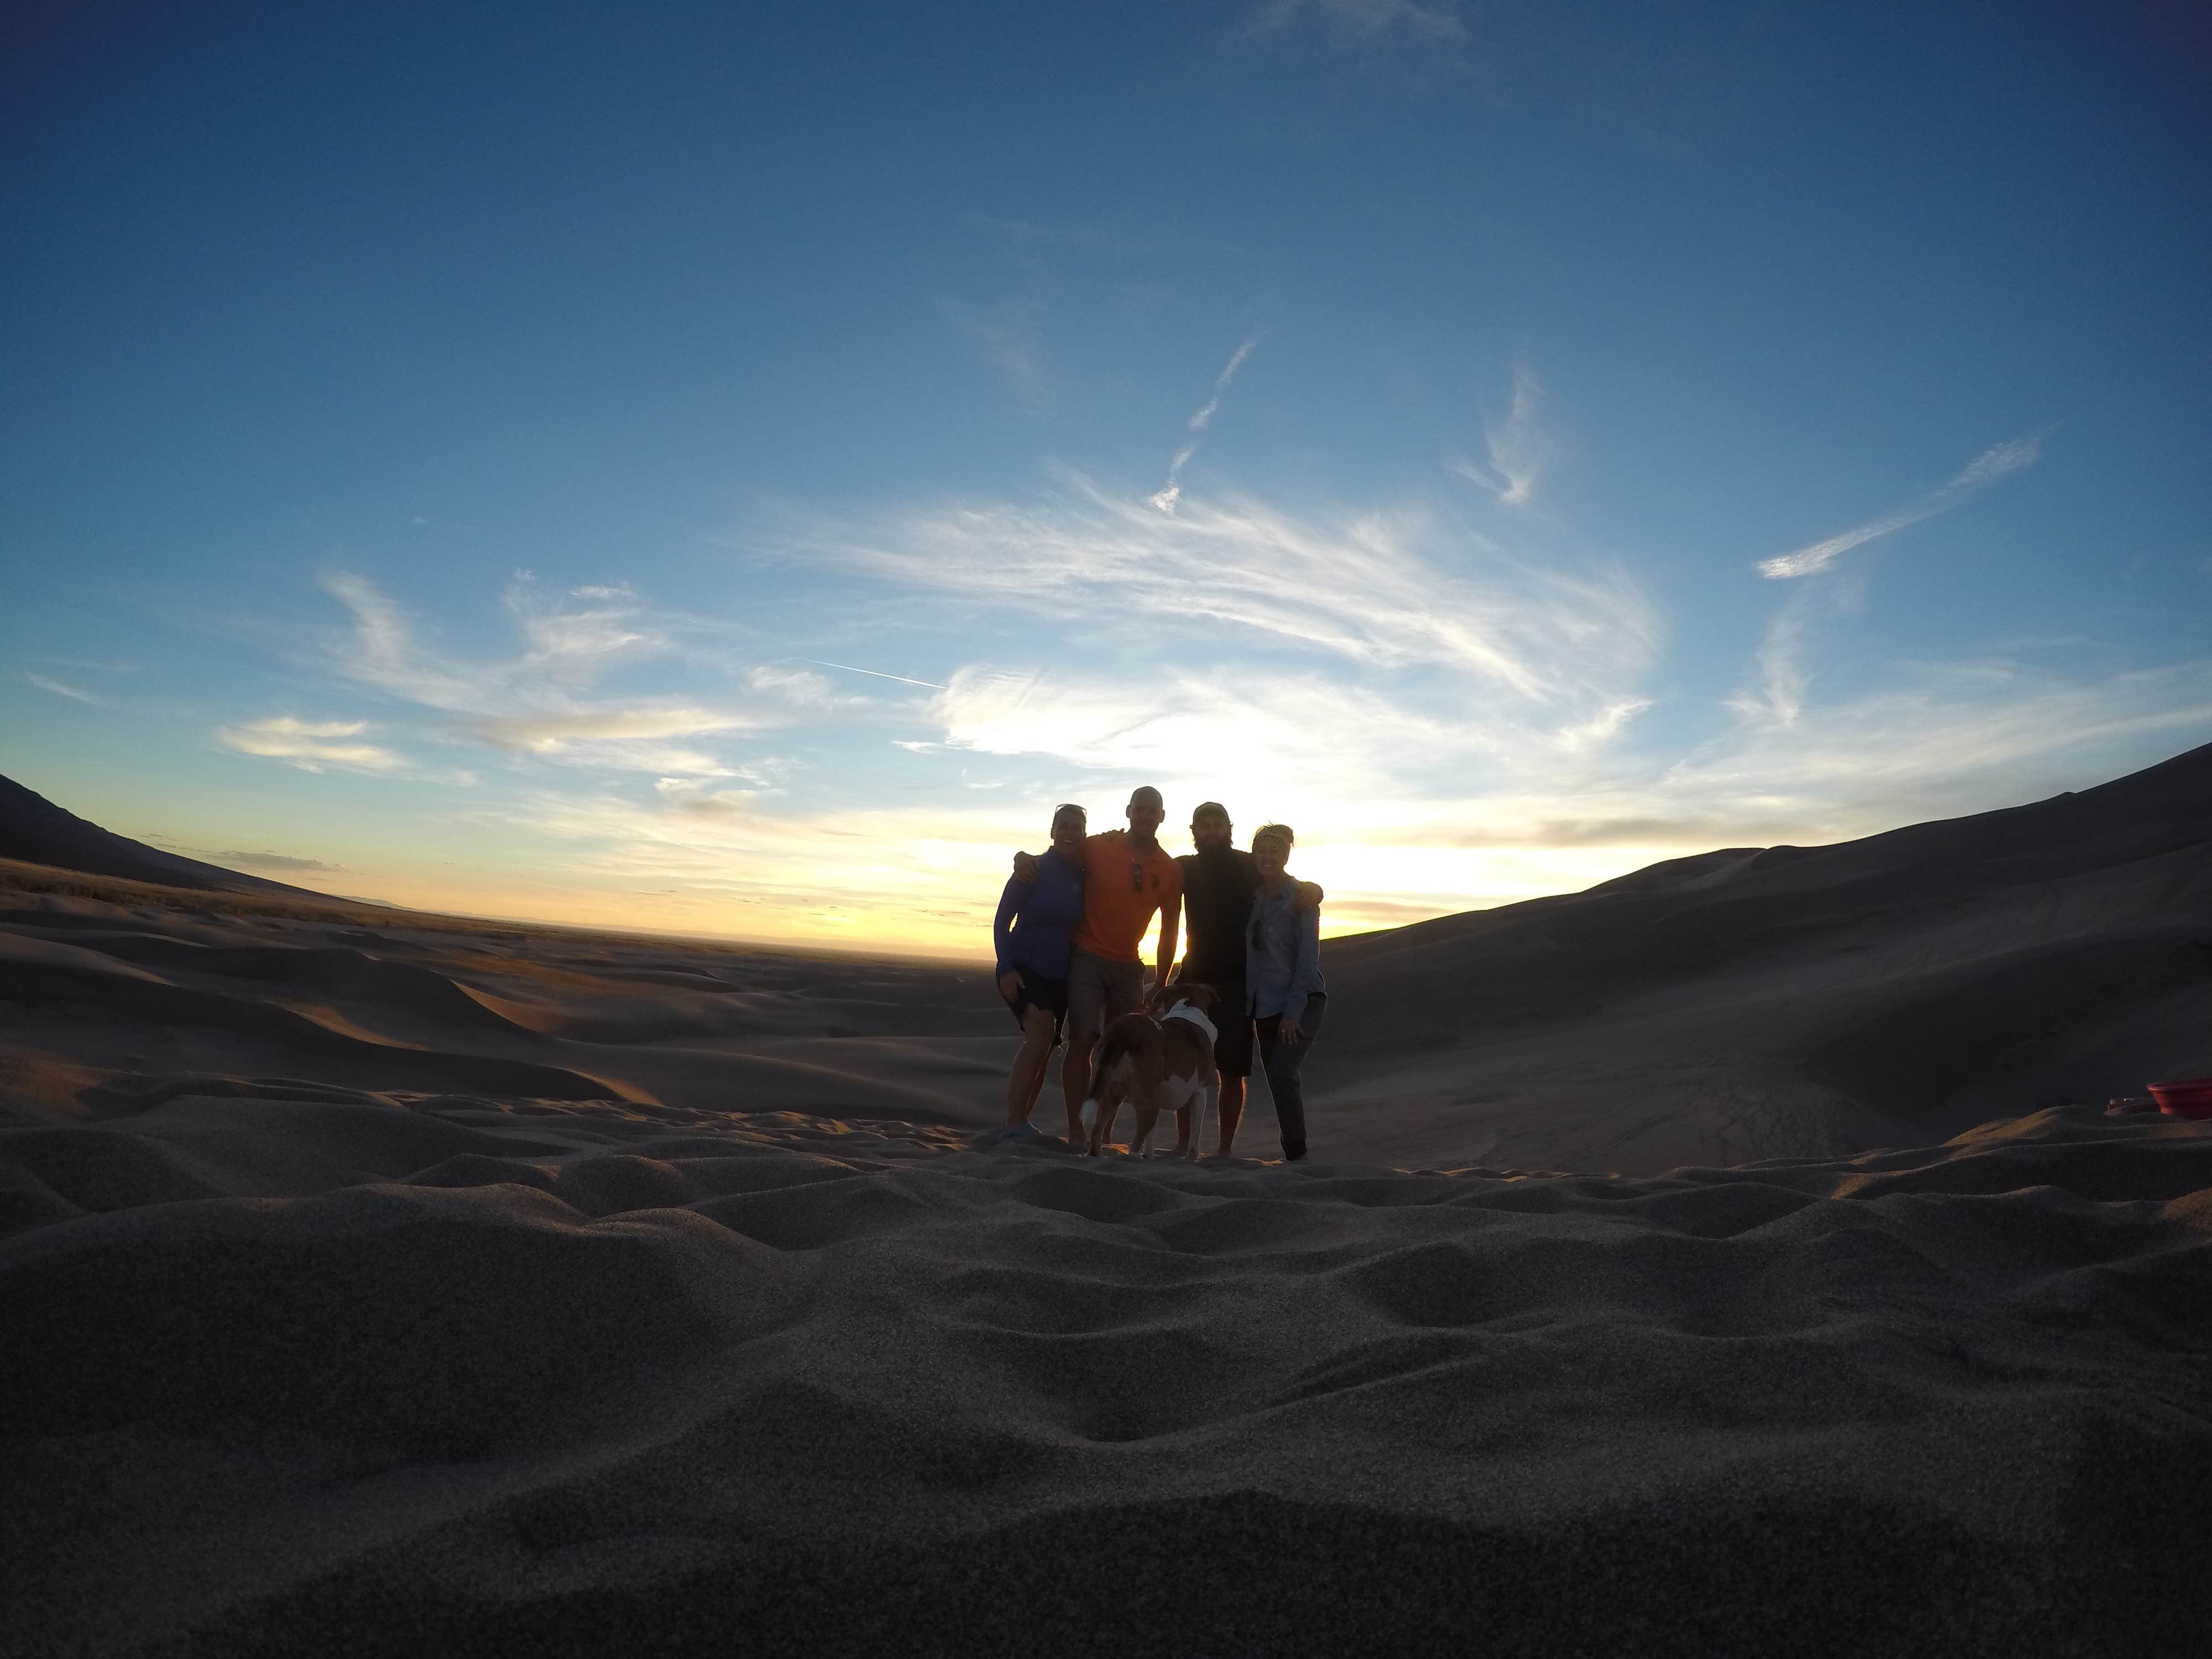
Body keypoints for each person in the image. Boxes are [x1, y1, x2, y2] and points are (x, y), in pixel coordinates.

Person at [1172, 802, 1322, 1158]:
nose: (1211, 832)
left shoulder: (1249, 864)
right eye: (1203, 826)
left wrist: (1314, 889)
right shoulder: (1183, 867)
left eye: (1217, 825)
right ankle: (1182, 1145)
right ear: (1193, 831)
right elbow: (1141, 865)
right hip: (1193, 977)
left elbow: (1287, 881)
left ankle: (1224, 1150)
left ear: (1229, 828)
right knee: (1182, 1060)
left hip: (1240, 984)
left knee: (1232, 1069)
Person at [1058, 786, 1183, 1148]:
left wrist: (1161, 981)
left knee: (1122, 1050)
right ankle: (1076, 1130)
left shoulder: (1170, 870)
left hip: (1129, 966)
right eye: (1139, 809)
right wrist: (1025, 860)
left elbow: (1170, 930)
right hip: (1086, 957)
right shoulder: (1099, 846)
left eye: (1152, 810)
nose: (1145, 816)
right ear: (1128, 812)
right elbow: (1060, 855)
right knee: (1082, 1039)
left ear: (1162, 817)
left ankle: (1104, 1131)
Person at [990, 803, 1087, 1140]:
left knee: (1045, 1045)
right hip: (1023, 965)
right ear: (1052, 831)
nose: (1070, 833)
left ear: (1085, 833)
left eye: (1077, 827)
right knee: (1040, 1034)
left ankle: (1022, 1125)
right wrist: (1006, 968)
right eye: (1064, 826)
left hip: (1060, 973)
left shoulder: (1083, 874)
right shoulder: (1031, 869)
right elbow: (1002, 921)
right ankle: (1014, 1123)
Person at [1239, 822, 1326, 1162]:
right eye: (1261, 850)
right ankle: (1292, 1151)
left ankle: (1297, 1153)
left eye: (1275, 850)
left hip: (1301, 1002)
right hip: (1264, 1006)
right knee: (1279, 1082)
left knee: (1282, 1072)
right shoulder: (1253, 896)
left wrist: (1293, 1013)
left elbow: (1307, 960)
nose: (1267, 856)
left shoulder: (1300, 898)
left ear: (1287, 853)